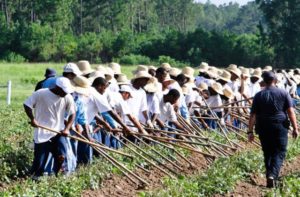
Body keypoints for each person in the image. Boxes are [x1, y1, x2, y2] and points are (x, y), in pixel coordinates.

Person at [248, 71, 299, 188]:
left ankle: (269, 176)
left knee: (268, 152)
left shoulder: (258, 95)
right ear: (275, 81)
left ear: (264, 82)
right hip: (279, 126)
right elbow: (291, 112)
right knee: (280, 151)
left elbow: (253, 115)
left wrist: (250, 131)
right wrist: (295, 128)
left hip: (263, 127)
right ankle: (272, 175)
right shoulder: (283, 93)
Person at [24, 77, 75, 179]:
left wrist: (67, 129)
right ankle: (34, 177)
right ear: (58, 87)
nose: (65, 93)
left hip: (59, 132)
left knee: (62, 156)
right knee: (40, 161)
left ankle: (57, 175)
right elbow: (27, 105)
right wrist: (33, 119)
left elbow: (72, 114)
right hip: (42, 133)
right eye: (64, 91)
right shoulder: (41, 93)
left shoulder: (67, 97)